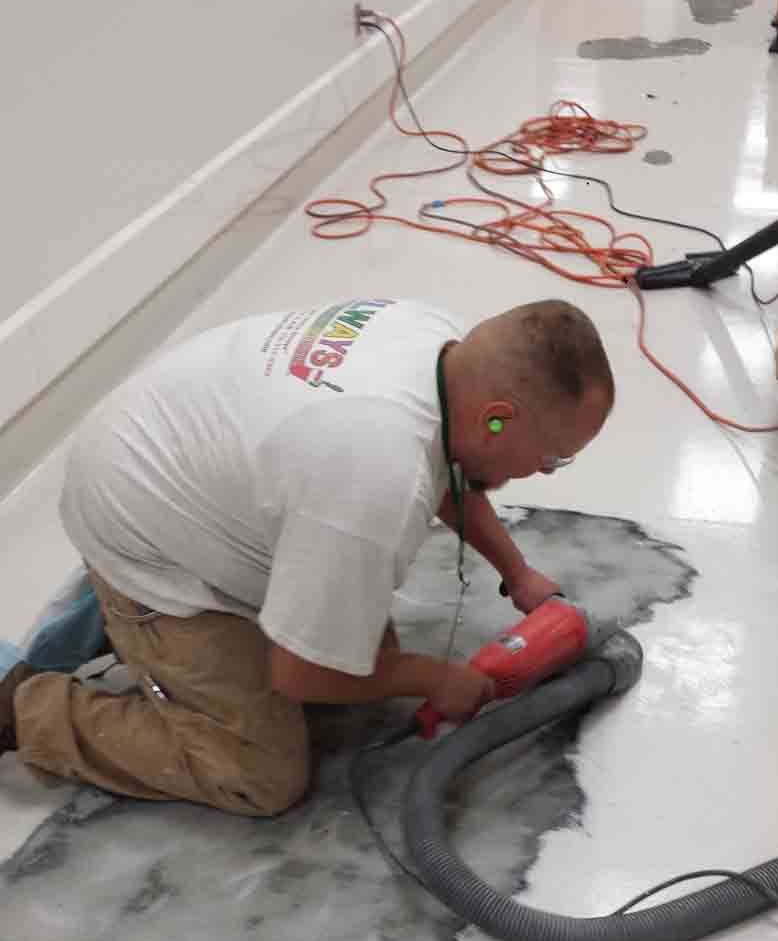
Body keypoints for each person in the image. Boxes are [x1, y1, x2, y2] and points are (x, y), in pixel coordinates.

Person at [0, 296, 614, 817]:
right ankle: (27, 705)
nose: (545, 471)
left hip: (182, 459)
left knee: (361, 664)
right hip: (143, 532)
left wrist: (518, 573)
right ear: (498, 421)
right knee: (261, 770)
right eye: (553, 457)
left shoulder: (439, 347)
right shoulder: (374, 475)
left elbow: (454, 468)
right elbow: (303, 675)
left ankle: (131, 618)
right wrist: (436, 677)